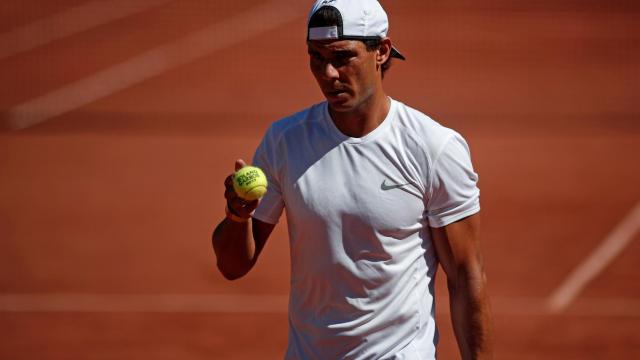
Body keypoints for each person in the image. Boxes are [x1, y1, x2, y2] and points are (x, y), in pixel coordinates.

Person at [212, 0, 493, 358]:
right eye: (316, 57)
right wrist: (237, 216)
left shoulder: (433, 147)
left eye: (342, 57)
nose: (327, 73)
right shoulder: (285, 140)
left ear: (382, 51)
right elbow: (232, 266)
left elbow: (466, 276)